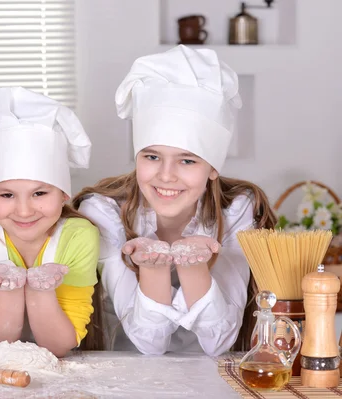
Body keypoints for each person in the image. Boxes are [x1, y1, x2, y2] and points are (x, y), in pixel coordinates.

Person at [72, 45, 276, 356]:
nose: (166, 176)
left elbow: (219, 341)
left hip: (213, 377)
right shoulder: (104, 210)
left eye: (187, 161)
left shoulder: (236, 209)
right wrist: (153, 268)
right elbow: (148, 343)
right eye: (152, 156)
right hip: (127, 373)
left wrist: (192, 265)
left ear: (212, 168)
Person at [0, 87, 103, 357]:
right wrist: (9, 289)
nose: (24, 211)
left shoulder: (78, 236)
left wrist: (42, 290)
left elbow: (60, 345)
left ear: (63, 194)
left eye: (39, 193)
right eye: (7, 195)